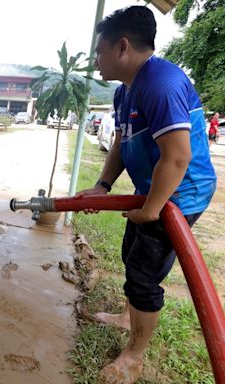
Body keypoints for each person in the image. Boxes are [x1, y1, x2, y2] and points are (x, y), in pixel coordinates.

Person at [77, 6, 216, 384]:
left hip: (179, 195)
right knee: (129, 254)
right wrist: (103, 186)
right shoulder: (126, 91)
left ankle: (134, 356)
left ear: (122, 46)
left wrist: (153, 208)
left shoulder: (161, 82)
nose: (96, 61)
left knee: (143, 275)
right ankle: (127, 317)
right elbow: (123, 142)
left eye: (99, 52)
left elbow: (177, 156)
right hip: (151, 193)